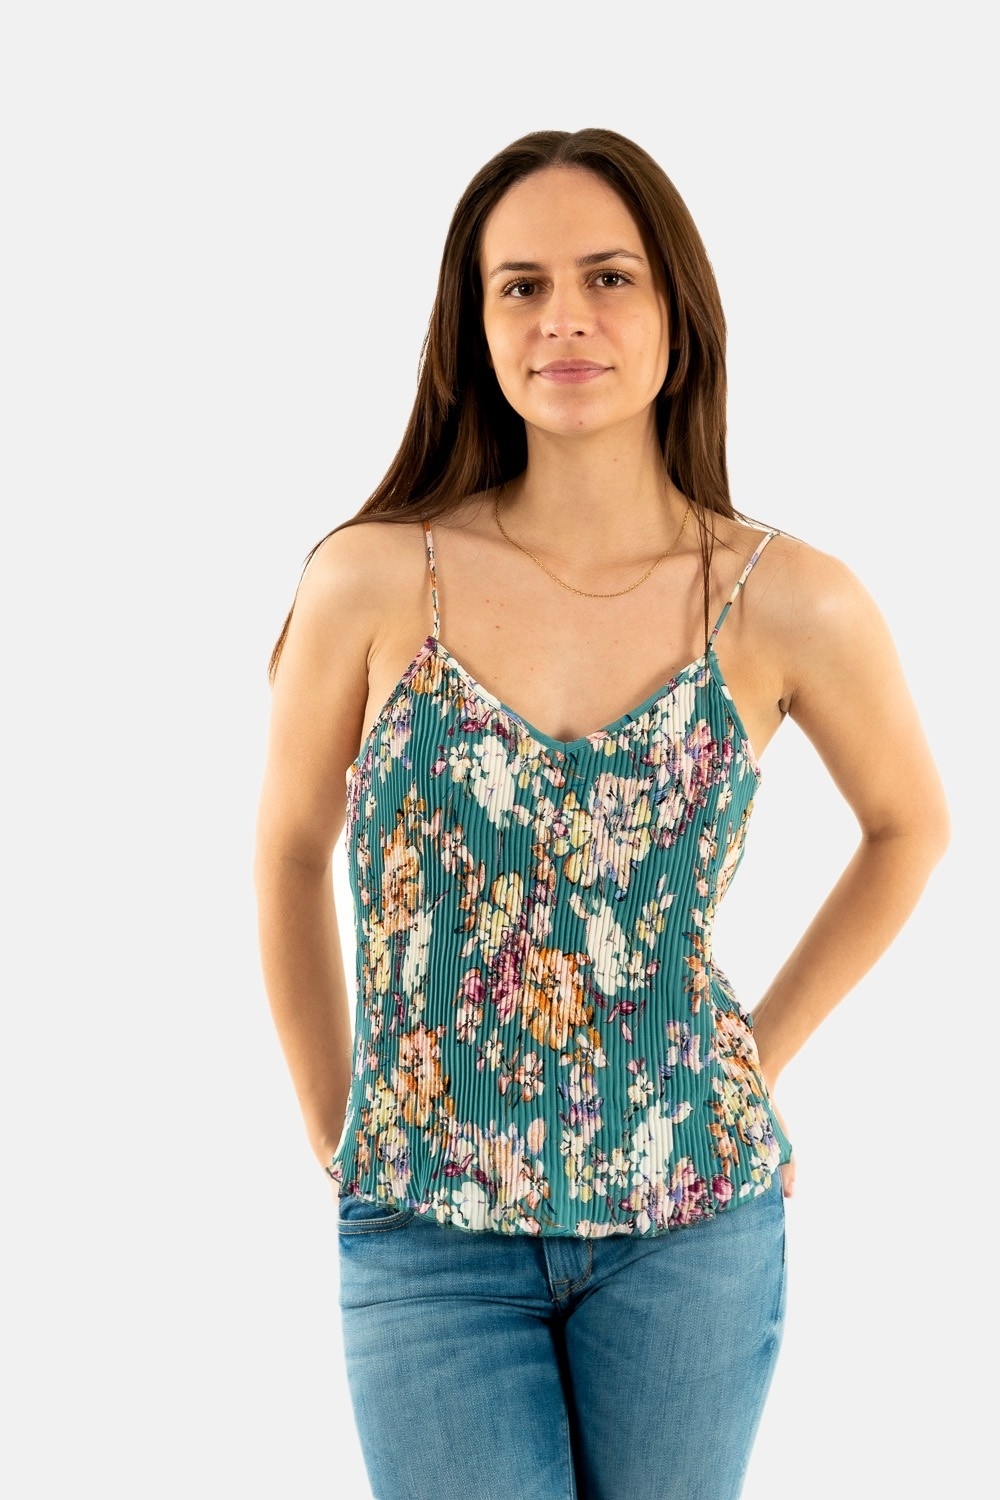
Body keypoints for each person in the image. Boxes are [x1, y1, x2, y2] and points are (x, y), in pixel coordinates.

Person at [253, 128, 950, 1500]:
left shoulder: (786, 597)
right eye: (520, 286)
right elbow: (286, 850)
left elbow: (909, 826)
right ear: (474, 329)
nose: (563, 316)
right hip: (427, 1234)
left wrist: (752, 1059)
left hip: (693, 1221)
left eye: (608, 277)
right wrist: (335, 1117)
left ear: (678, 317)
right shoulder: (373, 580)